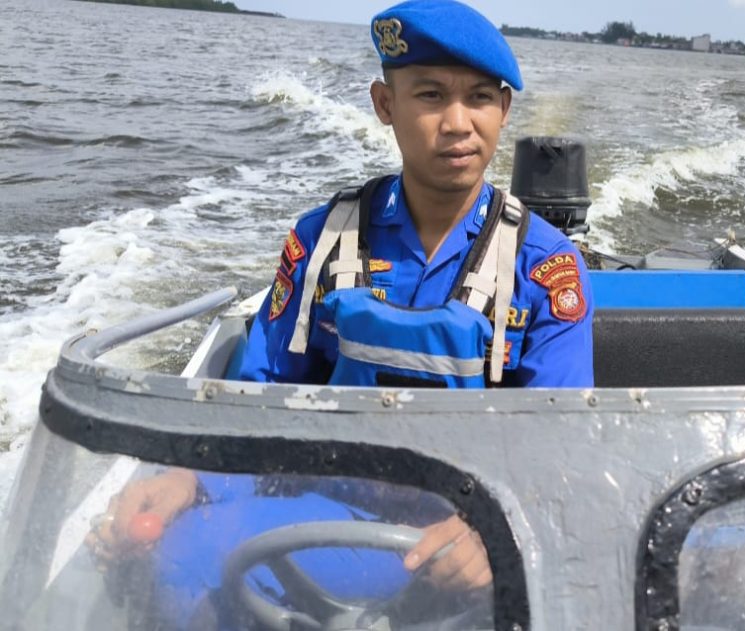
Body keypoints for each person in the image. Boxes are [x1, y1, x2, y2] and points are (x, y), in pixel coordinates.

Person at [89, 0, 594, 625]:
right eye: (431, 95)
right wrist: (190, 480)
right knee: (171, 561)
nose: (458, 124)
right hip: (324, 508)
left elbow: (560, 442)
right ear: (385, 105)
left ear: (505, 111)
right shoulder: (322, 243)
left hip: (472, 531)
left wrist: (497, 529)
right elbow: (258, 393)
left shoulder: (545, 268)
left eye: (480, 99)